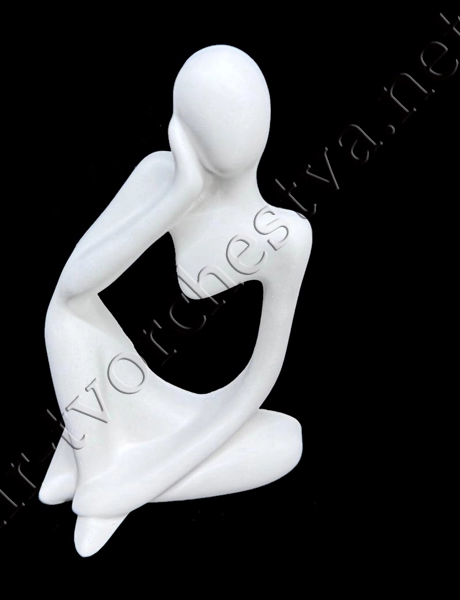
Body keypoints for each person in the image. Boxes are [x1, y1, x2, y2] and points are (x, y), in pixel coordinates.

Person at [39, 44, 312, 557]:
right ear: (182, 123)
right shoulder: (158, 176)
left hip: (207, 411)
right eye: (210, 114)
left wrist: (182, 450)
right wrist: (179, 193)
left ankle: (100, 464)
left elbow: (263, 372)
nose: (230, 128)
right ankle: (100, 472)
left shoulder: (285, 236)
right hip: (126, 386)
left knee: (285, 441)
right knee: (66, 314)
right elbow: (72, 289)